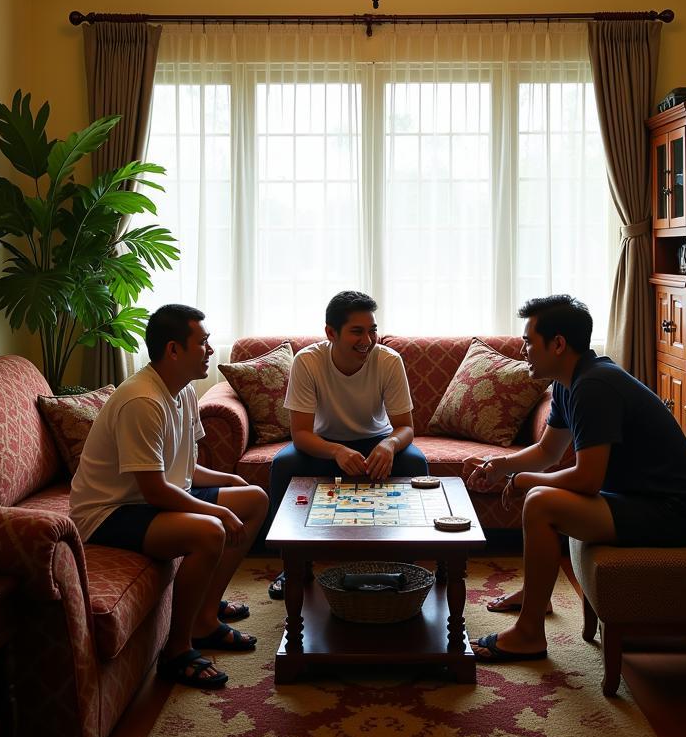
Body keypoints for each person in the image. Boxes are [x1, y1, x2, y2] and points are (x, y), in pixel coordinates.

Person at [464, 294, 686, 662]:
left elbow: (587, 479)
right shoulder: (570, 382)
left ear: (558, 344)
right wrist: (499, 467)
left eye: (529, 342)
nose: (523, 351)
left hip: (676, 513)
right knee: (538, 498)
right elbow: (547, 452)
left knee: (540, 503)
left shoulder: (594, 387)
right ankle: (537, 596)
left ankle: (529, 633)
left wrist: (525, 482)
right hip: (642, 500)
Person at [69, 304, 269, 689]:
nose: (210, 350)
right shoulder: (142, 400)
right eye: (203, 342)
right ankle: (176, 652)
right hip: (110, 512)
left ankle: (205, 617)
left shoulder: (183, 392)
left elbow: (187, 469)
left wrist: (231, 480)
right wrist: (216, 510)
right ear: (174, 349)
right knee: (210, 531)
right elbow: (155, 488)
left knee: (255, 498)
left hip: (150, 499)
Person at [267, 290, 428, 598]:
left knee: (415, 463)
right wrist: (336, 450)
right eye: (357, 331)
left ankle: (406, 565)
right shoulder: (308, 361)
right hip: (323, 444)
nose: (367, 340)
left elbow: (406, 426)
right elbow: (300, 433)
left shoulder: (389, 360)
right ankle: (293, 567)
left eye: (372, 330)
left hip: (377, 441)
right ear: (331, 332)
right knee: (283, 465)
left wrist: (390, 445)